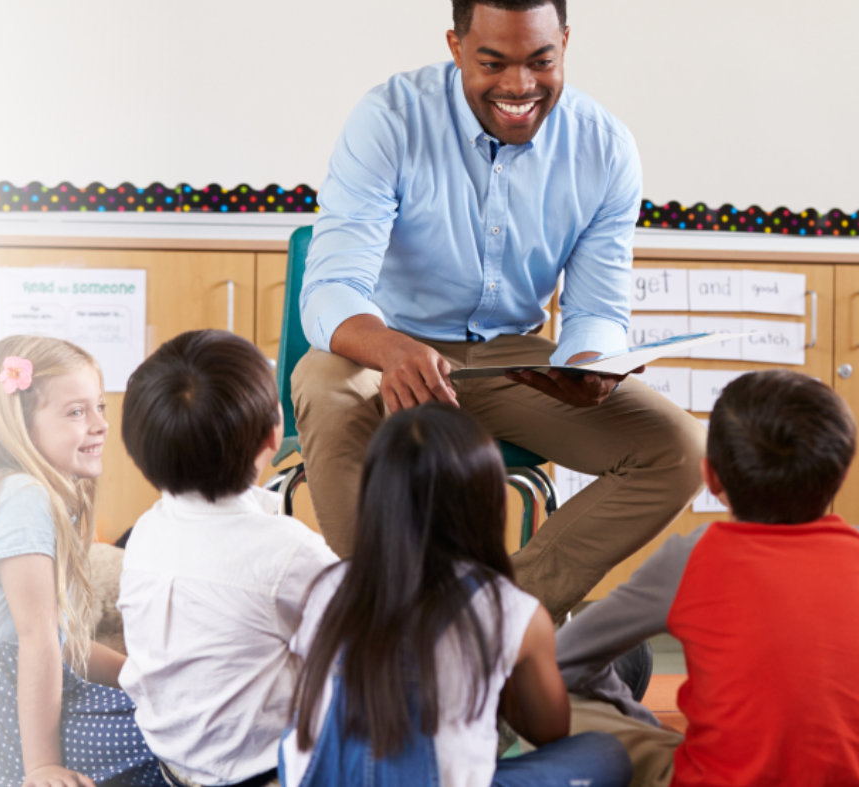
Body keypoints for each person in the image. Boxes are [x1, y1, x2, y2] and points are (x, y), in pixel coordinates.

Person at [290, 0, 702, 620]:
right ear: (456, 48)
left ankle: (490, 619)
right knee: (323, 386)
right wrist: (394, 350)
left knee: (680, 450)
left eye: (541, 61)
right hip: (388, 350)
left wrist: (589, 361)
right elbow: (331, 289)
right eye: (493, 63)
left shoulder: (605, 147)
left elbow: (596, 308)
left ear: (565, 43)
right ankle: (376, 621)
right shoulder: (390, 119)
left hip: (510, 360)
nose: (519, 86)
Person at [552, 370, 859, 786]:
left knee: (549, 693)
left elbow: (562, 661)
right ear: (840, 478)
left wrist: (635, 716)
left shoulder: (693, 555)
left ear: (711, 477)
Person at [279, 404, 631, 787]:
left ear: (374, 497)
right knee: (606, 754)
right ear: (490, 504)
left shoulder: (328, 586)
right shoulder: (509, 609)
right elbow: (549, 732)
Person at [0, 336, 162, 787]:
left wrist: (139, 676)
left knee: (167, 717)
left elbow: (62, 646)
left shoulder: (0, 490)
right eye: (76, 412)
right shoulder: (25, 497)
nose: (101, 424)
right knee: (174, 741)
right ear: (20, 427)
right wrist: (42, 767)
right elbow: (37, 638)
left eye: (99, 407)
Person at [114, 330, 340, 787]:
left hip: (172, 759)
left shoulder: (146, 530)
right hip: (261, 772)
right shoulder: (288, 551)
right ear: (273, 435)